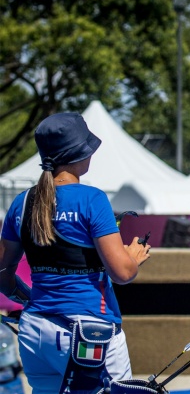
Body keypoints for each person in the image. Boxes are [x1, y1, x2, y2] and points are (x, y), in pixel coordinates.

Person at [0, 113, 151, 394]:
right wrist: (133, 256)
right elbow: (123, 274)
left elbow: (2, 274)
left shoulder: (22, 203)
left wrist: (28, 298)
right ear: (79, 154)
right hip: (88, 332)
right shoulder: (91, 199)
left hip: (35, 330)